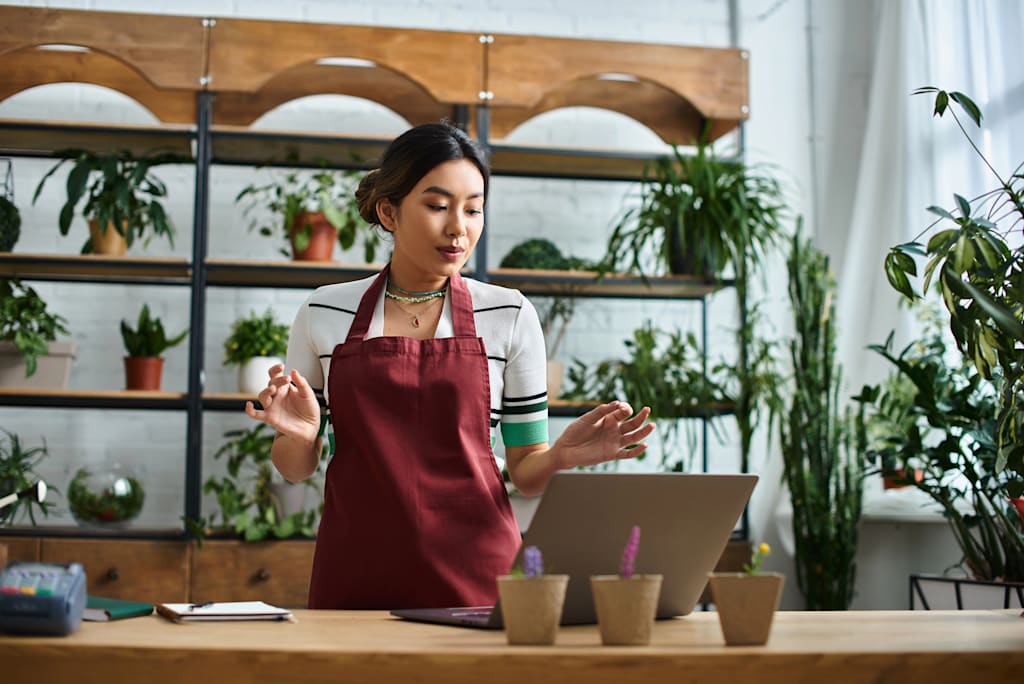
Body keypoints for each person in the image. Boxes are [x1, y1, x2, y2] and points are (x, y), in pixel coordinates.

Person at [245, 122, 655, 610]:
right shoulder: (324, 312)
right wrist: (299, 436)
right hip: (355, 572)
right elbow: (295, 470)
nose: (459, 227)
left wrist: (562, 456)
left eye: (474, 209)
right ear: (389, 212)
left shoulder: (510, 314)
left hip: (476, 574)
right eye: (438, 206)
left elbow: (525, 472)